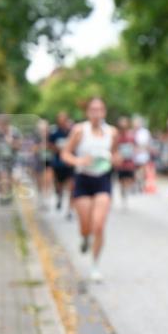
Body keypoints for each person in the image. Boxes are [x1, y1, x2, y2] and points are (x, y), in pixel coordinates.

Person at [61, 97, 117, 283]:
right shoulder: (79, 130)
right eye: (93, 109)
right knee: (86, 226)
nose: (96, 113)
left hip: (103, 180)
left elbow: (116, 154)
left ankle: (95, 266)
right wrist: (79, 161)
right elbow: (65, 154)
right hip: (83, 180)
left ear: (104, 112)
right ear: (88, 112)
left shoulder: (112, 132)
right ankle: (85, 238)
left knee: (99, 225)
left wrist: (116, 159)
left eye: (100, 109)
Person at [48, 111, 75, 218]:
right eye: (60, 120)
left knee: (72, 186)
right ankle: (59, 196)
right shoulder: (54, 133)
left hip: (70, 164)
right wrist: (58, 148)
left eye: (64, 119)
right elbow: (49, 145)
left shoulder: (72, 132)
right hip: (58, 164)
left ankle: (70, 210)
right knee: (59, 185)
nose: (63, 122)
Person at [115, 116, 137, 209]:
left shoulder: (131, 135)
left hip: (129, 162)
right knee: (121, 181)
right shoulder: (117, 136)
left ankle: (126, 194)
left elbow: (135, 146)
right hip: (120, 163)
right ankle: (123, 194)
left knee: (129, 180)